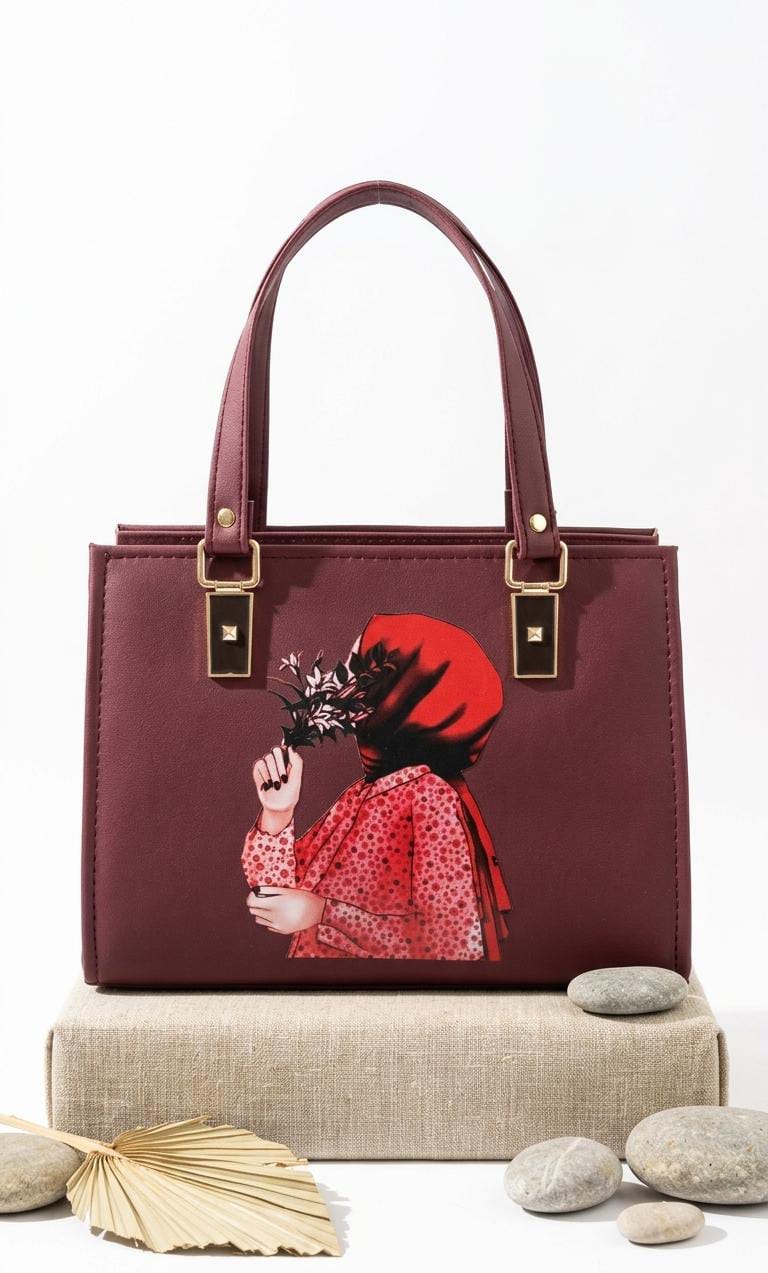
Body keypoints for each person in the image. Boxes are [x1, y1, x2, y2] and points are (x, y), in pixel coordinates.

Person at [242, 613, 511, 960]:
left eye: (356, 673)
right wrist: (277, 814)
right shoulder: (363, 794)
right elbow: (279, 891)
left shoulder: (430, 798)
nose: (340, 688)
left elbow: (451, 942)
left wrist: (323, 913)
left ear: (403, 692)